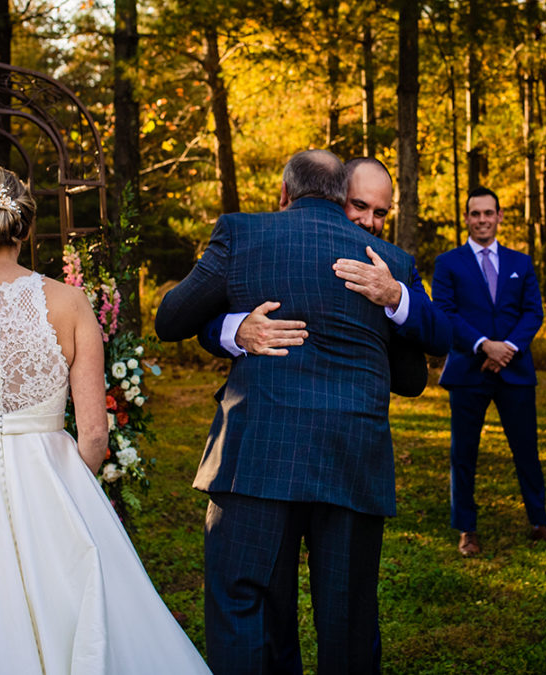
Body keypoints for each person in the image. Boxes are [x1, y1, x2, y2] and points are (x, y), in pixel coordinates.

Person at [0, 164, 210, 674]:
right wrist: (61, 484)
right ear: (24, 225)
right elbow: (94, 434)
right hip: (54, 481)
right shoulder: (69, 302)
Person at [155, 149, 425, 674]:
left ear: (284, 193)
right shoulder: (385, 261)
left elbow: (172, 319)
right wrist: (236, 331)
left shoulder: (242, 234)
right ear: (340, 195)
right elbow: (412, 377)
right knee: (348, 621)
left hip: (257, 455)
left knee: (245, 606)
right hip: (352, 460)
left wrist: (233, 327)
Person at [199, 157, 450, 377]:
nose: (369, 222)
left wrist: (395, 296)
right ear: (335, 196)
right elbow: (204, 318)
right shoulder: (278, 249)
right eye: (359, 205)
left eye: (380, 213)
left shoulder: (395, 266)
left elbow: (441, 336)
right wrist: (238, 330)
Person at [431, 186, 546, 556]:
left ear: (500, 216)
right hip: (467, 371)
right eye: (475, 214)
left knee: (526, 450)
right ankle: (467, 529)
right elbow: (445, 312)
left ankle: (539, 522)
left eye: (488, 213)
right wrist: (482, 346)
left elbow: (532, 312)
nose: (482, 220)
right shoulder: (448, 263)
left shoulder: (520, 263)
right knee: (464, 453)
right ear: (466, 218)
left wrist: (506, 349)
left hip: (515, 370)